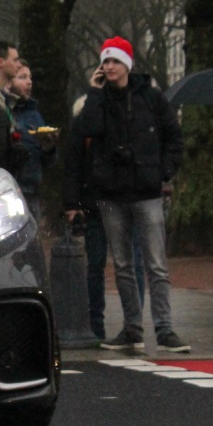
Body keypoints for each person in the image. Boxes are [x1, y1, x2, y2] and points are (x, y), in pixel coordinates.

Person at [64, 36, 187, 352]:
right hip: (111, 195)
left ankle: (165, 329)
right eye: (105, 61)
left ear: (128, 64)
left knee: (155, 264)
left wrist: (162, 171)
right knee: (121, 265)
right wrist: (94, 91)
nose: (109, 67)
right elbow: (88, 129)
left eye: (115, 61)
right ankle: (132, 328)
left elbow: (174, 137)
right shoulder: (99, 100)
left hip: (146, 192)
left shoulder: (152, 99)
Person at [67, 90, 147, 340]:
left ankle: (106, 323)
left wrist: (72, 203)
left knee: (106, 264)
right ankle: (127, 321)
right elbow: (74, 166)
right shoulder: (117, 123)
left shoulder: (90, 128)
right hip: (112, 200)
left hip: (107, 200)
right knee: (124, 263)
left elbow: (73, 167)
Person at [8, 61, 57, 228]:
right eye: (22, 77)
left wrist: (48, 147)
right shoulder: (1, 110)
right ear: (8, 82)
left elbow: (48, 162)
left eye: (30, 77)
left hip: (31, 190)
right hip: (8, 190)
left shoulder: (34, 114)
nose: (29, 82)